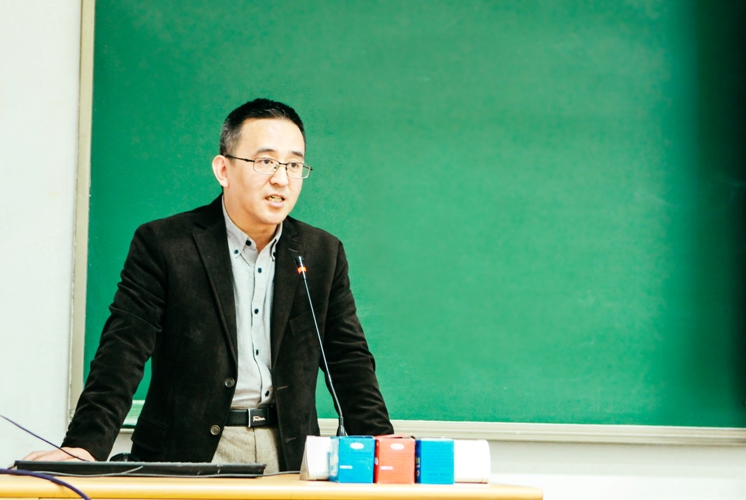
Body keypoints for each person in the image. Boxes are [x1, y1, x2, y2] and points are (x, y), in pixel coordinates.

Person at [24, 98, 393, 471]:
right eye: (265, 161)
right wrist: (83, 446)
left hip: (288, 454)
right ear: (223, 170)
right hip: (187, 452)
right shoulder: (165, 244)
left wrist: (383, 444)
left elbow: (348, 360)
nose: (281, 179)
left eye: (294, 165)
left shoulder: (321, 252)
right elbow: (123, 351)